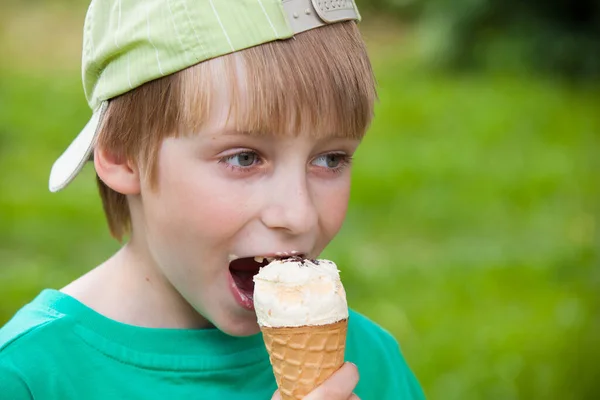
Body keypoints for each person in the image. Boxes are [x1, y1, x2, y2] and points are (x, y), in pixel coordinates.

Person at [0, 0, 425, 398]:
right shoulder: (28, 377)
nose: (298, 214)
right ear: (122, 155)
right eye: (244, 158)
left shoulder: (366, 361)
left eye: (330, 159)